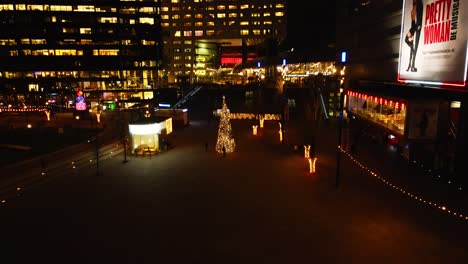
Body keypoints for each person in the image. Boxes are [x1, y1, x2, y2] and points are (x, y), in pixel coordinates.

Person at [405, 0, 423, 72]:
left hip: (414, 27)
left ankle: (411, 66)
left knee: (412, 50)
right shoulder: (414, 10)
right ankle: (411, 66)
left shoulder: (414, 9)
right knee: (412, 49)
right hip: (415, 28)